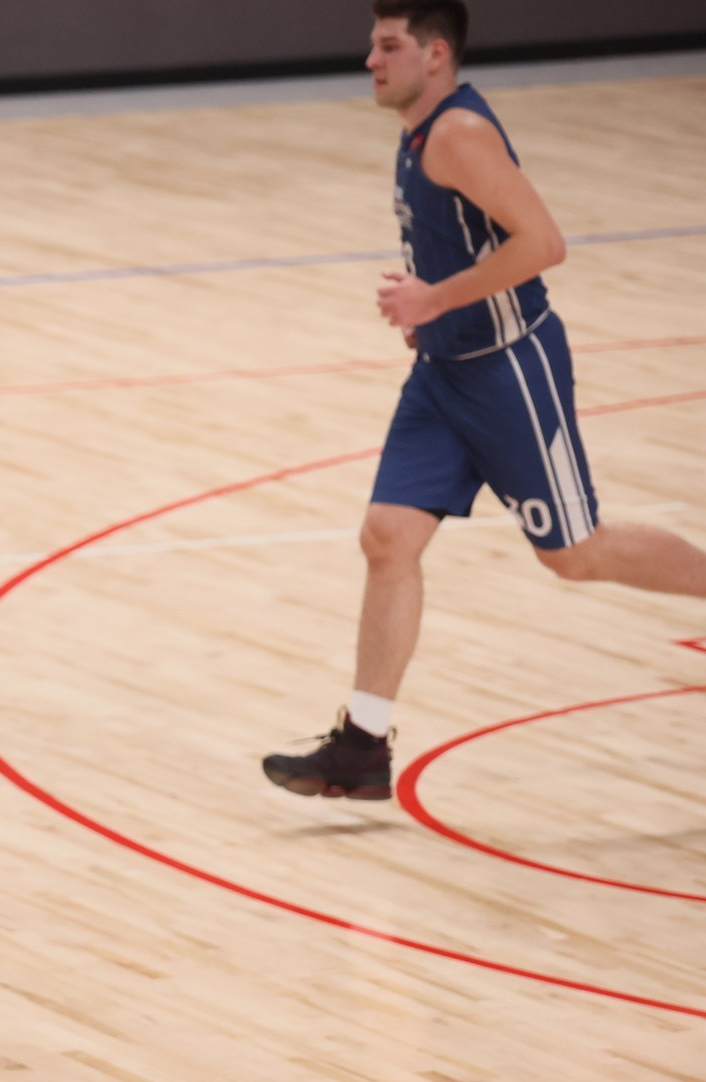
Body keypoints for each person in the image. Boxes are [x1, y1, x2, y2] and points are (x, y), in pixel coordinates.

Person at [262, 0, 706, 798]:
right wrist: (431, 307)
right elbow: (459, 248)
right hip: (443, 373)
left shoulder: (459, 135)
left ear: (435, 55)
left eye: (388, 46)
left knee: (574, 554)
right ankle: (363, 746)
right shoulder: (415, 134)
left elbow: (544, 244)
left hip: (508, 370)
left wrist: (434, 300)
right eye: (372, 45)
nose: (371, 60)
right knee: (388, 537)